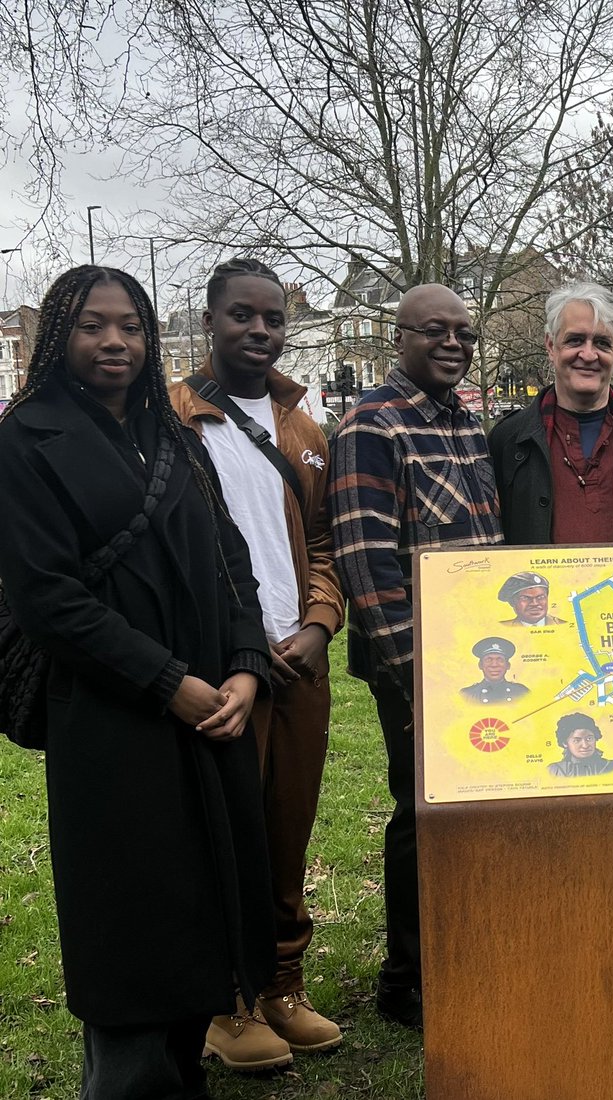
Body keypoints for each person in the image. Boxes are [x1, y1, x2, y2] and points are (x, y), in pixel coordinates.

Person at [0, 266, 275, 1097]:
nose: (115, 342)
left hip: (211, 716)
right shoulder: (24, 440)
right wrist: (169, 684)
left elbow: (231, 559)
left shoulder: (174, 435)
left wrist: (243, 668)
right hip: (112, 723)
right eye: (92, 325)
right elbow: (50, 600)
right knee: (130, 939)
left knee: (200, 926)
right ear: (58, 335)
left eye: (131, 326)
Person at [169, 257, 344, 1066]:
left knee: (286, 829)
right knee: (224, 834)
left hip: (296, 667)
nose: (260, 331)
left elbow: (326, 544)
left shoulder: (304, 428)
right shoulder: (170, 420)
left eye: (272, 319)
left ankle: (282, 984)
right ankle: (226, 1000)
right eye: (242, 316)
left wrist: (317, 625)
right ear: (209, 320)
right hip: (221, 674)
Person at [330, 283, 502, 1029]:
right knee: (422, 815)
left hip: (484, 661)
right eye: (436, 331)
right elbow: (367, 567)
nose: (454, 344)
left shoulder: (466, 423)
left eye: (465, 333)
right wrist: (419, 679)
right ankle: (410, 978)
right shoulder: (372, 425)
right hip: (419, 668)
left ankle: (468, 951)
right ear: (399, 337)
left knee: (473, 816)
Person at [489, 282, 613, 543]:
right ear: (551, 346)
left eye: (602, 343)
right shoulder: (507, 441)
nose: (588, 354)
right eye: (575, 340)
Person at [460, 637, 529, 704]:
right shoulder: (467, 695)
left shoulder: (522, 693)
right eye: (488, 660)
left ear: (508, 665)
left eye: (500, 660)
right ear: (480, 665)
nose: (494, 665)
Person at [546, 712, 613, 777]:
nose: (585, 745)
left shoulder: (612, 766)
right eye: (577, 740)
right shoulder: (554, 770)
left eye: (589, 739)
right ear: (565, 743)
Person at [497, 572, 567, 625]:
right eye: (525, 598)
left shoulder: (561, 624)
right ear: (512, 602)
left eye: (540, 597)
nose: (535, 603)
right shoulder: (503, 627)